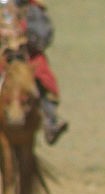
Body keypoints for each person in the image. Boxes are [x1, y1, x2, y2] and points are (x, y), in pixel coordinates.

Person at [0, 0, 67, 143]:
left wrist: (25, 34)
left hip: (27, 55)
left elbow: (43, 36)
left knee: (41, 76)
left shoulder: (32, 8)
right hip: (2, 53)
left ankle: (50, 120)